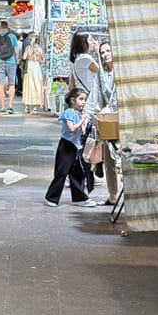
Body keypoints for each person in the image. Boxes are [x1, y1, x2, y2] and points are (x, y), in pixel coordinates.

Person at [44, 88, 97, 207]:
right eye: (81, 99)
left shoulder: (78, 113)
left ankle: (80, 198)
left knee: (77, 173)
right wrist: (83, 120)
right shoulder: (68, 112)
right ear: (72, 100)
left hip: (75, 147)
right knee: (62, 172)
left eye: (84, 100)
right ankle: (51, 197)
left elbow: (82, 131)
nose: (83, 102)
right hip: (67, 146)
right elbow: (72, 129)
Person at [68, 31, 100, 194]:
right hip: (89, 106)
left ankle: (82, 176)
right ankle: (84, 178)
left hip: (83, 107)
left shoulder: (77, 60)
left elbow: (71, 86)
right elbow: (102, 72)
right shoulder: (86, 59)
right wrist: (99, 53)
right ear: (83, 43)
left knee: (83, 143)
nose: (93, 42)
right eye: (90, 40)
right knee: (86, 145)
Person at [96, 40, 119, 207]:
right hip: (107, 119)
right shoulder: (101, 73)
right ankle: (113, 195)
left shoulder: (121, 70)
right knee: (108, 157)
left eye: (108, 51)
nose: (105, 54)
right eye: (102, 52)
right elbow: (98, 94)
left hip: (122, 117)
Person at [0, 20, 19, 114]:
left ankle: (2, 107)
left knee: (0, 85)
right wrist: (16, 62)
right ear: (7, 27)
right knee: (11, 84)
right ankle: (10, 106)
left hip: (0, 62)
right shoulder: (13, 36)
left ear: (0, 27)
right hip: (11, 62)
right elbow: (16, 51)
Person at [22, 33, 45, 114]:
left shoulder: (28, 48)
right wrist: (38, 58)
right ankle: (35, 108)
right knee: (37, 85)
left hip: (30, 67)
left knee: (28, 85)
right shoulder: (40, 49)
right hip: (37, 68)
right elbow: (43, 61)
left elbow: (24, 57)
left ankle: (27, 107)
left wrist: (29, 56)